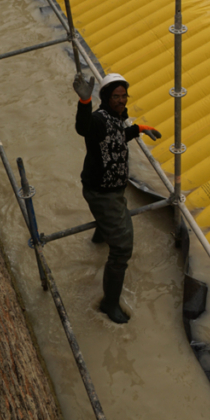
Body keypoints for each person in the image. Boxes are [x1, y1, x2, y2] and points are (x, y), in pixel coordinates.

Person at [73, 71, 161, 324]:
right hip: (102, 193)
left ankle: (99, 239)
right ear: (105, 98)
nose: (121, 100)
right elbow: (83, 128)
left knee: (109, 225)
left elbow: (117, 137)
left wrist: (138, 129)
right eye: (115, 96)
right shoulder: (99, 119)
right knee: (122, 248)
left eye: (124, 96)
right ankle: (109, 303)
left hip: (112, 189)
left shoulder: (116, 118)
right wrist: (84, 102)